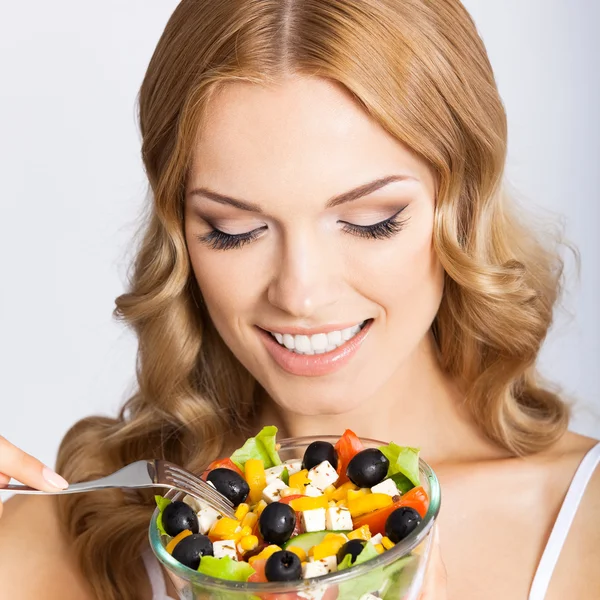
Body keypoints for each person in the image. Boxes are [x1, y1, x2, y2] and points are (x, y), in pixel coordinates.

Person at [0, 0, 598, 598]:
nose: (301, 295)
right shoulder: (63, 535)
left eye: (371, 221)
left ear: (463, 206)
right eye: (233, 229)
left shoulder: (581, 524)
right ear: (180, 230)